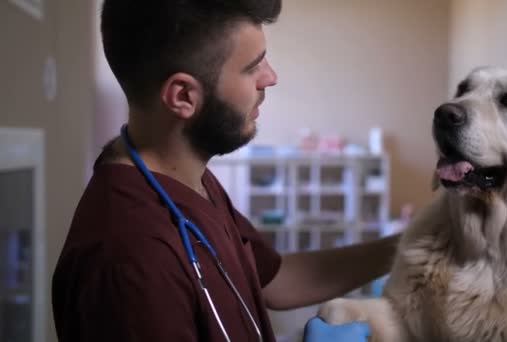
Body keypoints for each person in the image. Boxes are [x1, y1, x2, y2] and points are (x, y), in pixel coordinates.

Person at [52, 0, 399, 341]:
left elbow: (275, 280)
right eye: (252, 67)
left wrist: (414, 245)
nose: (271, 78)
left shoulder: (183, 179)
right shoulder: (129, 262)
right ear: (184, 96)